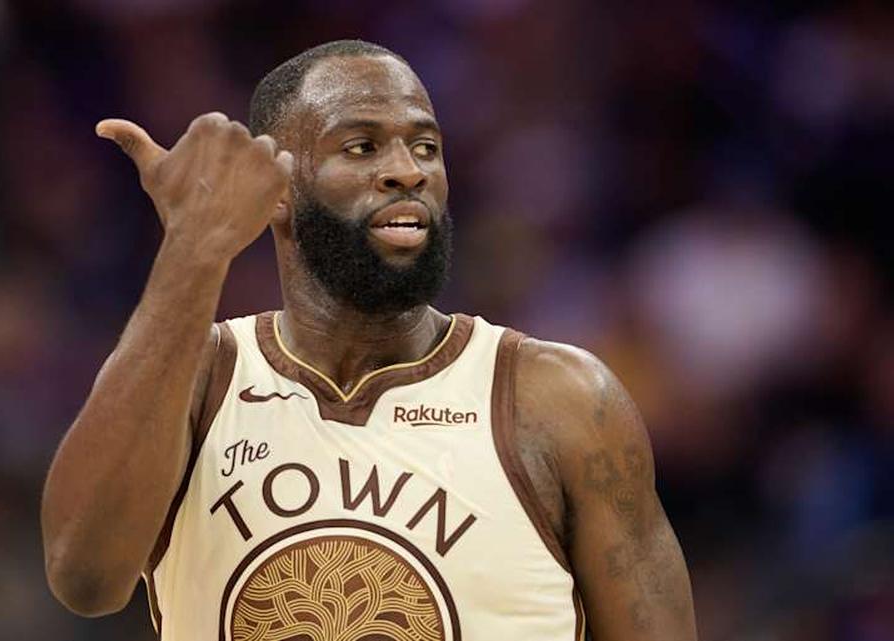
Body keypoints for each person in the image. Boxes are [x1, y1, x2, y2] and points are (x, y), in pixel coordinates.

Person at [41, 40, 697, 641]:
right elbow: (85, 579)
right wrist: (192, 250)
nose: (407, 171)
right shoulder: (200, 379)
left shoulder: (563, 402)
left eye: (425, 147)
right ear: (275, 192)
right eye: (362, 147)